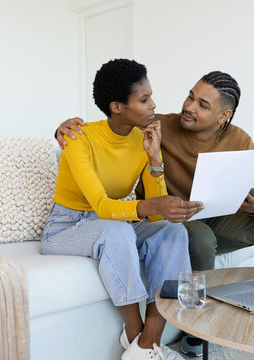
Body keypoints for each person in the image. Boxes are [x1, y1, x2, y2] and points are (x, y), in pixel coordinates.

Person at [55, 70, 254, 357]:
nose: (189, 107)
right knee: (199, 237)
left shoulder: (239, 140)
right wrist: (62, 129)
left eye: (203, 105)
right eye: (190, 97)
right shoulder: (157, 127)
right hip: (179, 219)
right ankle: (197, 329)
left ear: (224, 116)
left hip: (221, 218)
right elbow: (115, 121)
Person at [41, 58, 203, 360]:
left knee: (172, 230)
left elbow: (155, 217)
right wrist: (155, 203)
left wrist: (155, 160)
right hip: (66, 227)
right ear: (117, 106)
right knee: (116, 231)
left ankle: (148, 344)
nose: (153, 104)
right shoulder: (79, 138)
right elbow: (102, 206)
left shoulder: (143, 139)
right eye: (144, 99)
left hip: (113, 222)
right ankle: (134, 333)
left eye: (151, 96)